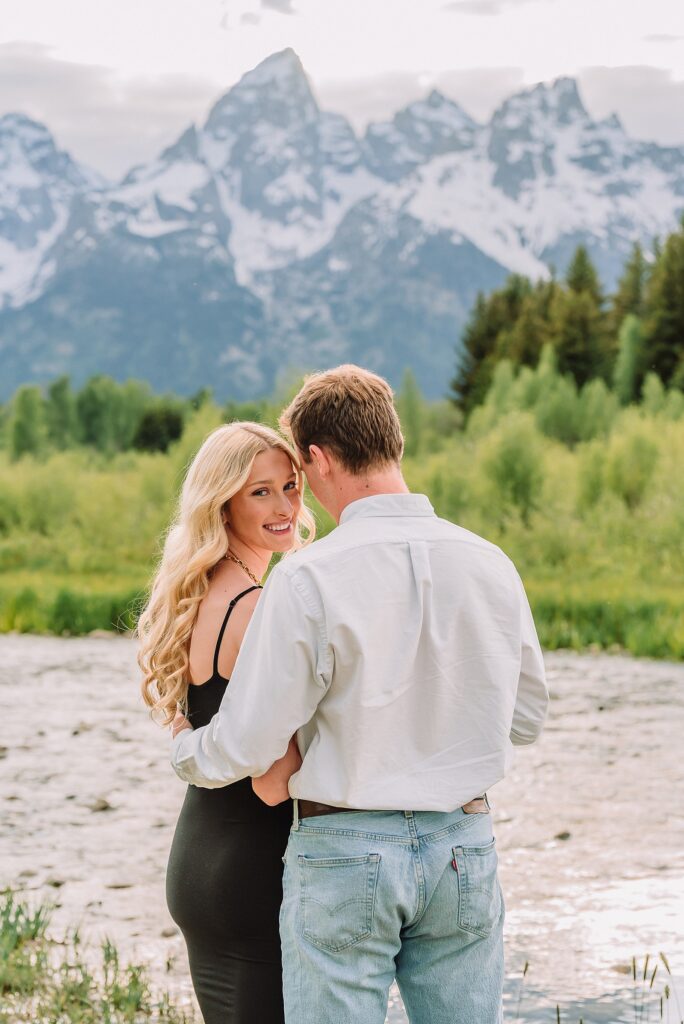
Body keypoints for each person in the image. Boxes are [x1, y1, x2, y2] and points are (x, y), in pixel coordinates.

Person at [171, 365, 549, 1024]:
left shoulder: (307, 579)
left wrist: (186, 751)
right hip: (463, 845)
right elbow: (525, 720)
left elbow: (252, 744)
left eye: (299, 477)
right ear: (393, 443)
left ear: (317, 458)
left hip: (346, 849)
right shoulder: (490, 562)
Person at [138, 422, 314, 1024]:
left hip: (197, 860)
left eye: (291, 487)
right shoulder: (257, 608)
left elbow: (192, 729)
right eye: (260, 491)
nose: (286, 507)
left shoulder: (197, 596)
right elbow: (272, 780)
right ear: (223, 503)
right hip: (249, 872)